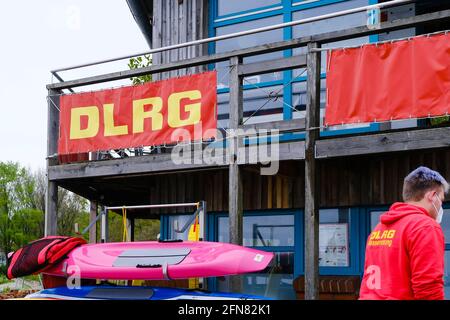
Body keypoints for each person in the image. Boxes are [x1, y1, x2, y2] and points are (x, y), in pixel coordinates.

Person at [359, 166, 449, 300]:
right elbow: (428, 288)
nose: (440, 206)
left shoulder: (379, 228)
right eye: (441, 200)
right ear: (432, 195)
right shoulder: (425, 226)